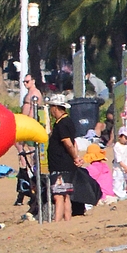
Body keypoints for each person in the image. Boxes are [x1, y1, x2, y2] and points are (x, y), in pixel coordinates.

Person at [45, 94, 78, 222]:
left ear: (55, 108)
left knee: (58, 195)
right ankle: (67, 220)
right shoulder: (67, 121)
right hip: (65, 164)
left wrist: (75, 157)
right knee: (65, 195)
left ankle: (57, 221)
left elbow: (68, 143)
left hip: (61, 165)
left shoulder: (62, 124)